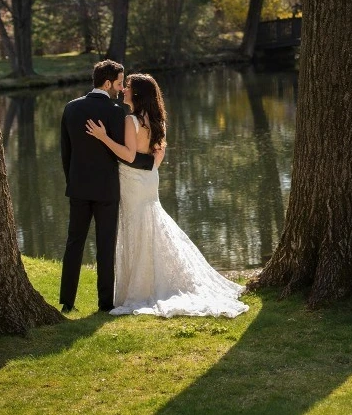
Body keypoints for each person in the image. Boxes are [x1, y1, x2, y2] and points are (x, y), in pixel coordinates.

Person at [86, 73, 249, 318]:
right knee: (149, 223)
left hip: (132, 181)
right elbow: (156, 159)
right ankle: (151, 280)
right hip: (149, 180)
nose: (124, 91)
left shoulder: (131, 120)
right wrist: (148, 169)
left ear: (137, 94)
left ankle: (142, 287)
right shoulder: (156, 120)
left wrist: (103, 137)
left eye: (128, 87)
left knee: (138, 226)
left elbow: (129, 156)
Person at [59, 60, 156, 313]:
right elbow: (123, 154)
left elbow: (65, 154)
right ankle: (105, 304)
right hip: (107, 190)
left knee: (74, 243)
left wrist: (73, 182)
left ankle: (66, 301)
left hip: (78, 188)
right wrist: (151, 160)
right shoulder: (115, 112)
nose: (121, 87)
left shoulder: (70, 109)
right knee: (105, 245)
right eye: (120, 82)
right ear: (107, 83)